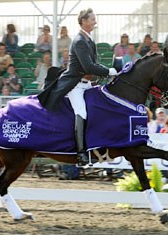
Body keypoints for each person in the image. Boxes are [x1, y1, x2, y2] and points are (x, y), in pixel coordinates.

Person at [38, 8, 117, 166]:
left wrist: (106, 72)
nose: (95, 21)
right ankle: (81, 153)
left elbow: (94, 64)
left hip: (87, 84)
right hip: (75, 85)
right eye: (93, 19)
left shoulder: (89, 40)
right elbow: (88, 66)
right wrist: (108, 71)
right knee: (81, 112)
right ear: (84, 22)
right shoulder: (79, 41)